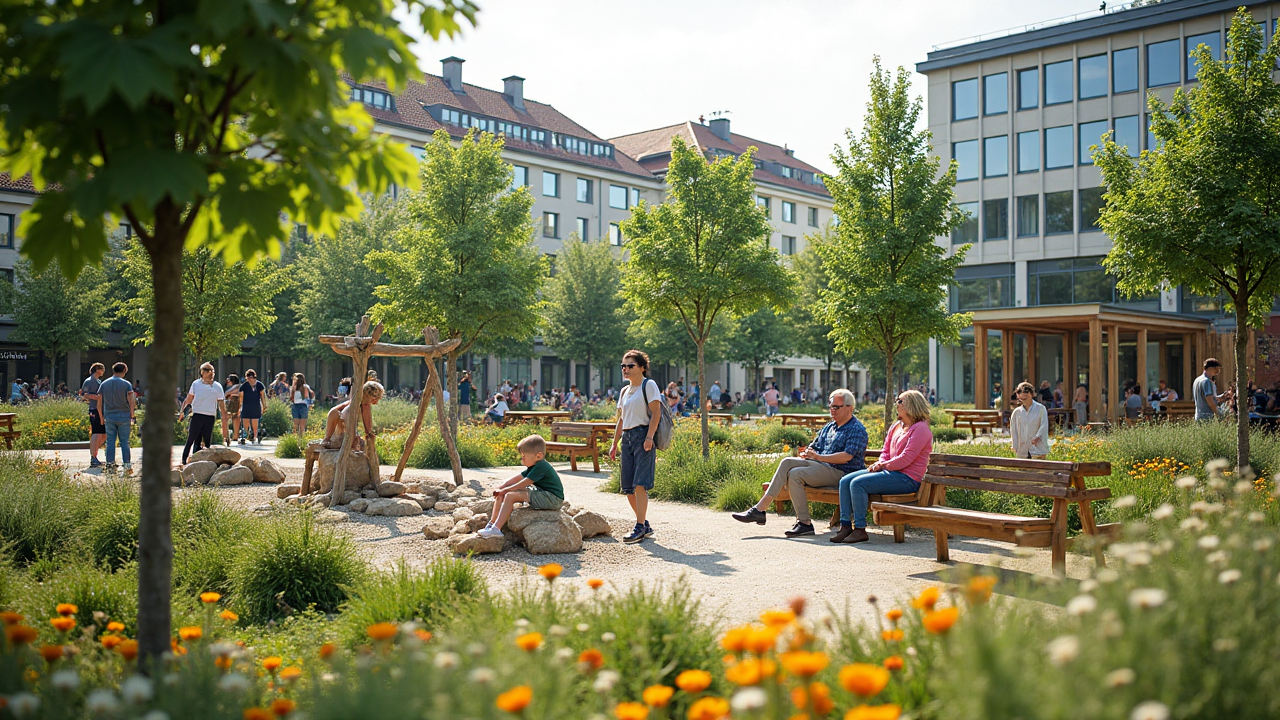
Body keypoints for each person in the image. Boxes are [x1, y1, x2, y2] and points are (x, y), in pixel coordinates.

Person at [732, 388, 868, 537]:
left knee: (795, 473)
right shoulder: (830, 427)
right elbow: (814, 446)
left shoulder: (856, 429)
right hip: (822, 467)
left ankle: (763, 511)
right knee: (789, 465)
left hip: (843, 473)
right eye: (830, 406)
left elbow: (846, 456)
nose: (832, 410)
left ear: (850, 408)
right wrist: (808, 453)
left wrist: (819, 457)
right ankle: (801, 523)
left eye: (836, 407)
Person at [832, 389, 932, 544]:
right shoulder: (897, 426)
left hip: (907, 478)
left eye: (900, 401)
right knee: (845, 481)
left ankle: (859, 529)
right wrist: (881, 463)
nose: (896, 404)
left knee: (858, 483)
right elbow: (885, 451)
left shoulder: (920, 428)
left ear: (911, 405)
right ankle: (845, 526)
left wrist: (883, 465)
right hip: (890, 472)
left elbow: (906, 458)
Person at [609, 349, 662, 544]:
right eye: (623, 366)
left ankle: (639, 526)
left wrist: (649, 437)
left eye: (630, 365)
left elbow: (656, 414)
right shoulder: (624, 391)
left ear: (642, 367)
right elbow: (622, 419)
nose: (626, 369)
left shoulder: (649, 386)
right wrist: (615, 443)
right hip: (628, 438)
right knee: (628, 488)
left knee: (640, 483)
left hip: (642, 436)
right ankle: (644, 524)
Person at [478, 435, 565, 539]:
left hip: (552, 499)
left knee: (510, 496)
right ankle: (492, 523)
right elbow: (516, 479)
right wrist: (502, 487)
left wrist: (506, 489)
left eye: (524, 457)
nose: (522, 459)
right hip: (543, 493)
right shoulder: (533, 466)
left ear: (538, 455)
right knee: (505, 492)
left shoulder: (541, 466)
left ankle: (496, 529)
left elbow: (525, 482)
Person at [179, 363, 227, 465]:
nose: (210, 373)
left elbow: (222, 406)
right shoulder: (196, 384)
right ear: (203, 372)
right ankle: (184, 459)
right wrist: (182, 411)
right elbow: (188, 399)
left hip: (210, 416)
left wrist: (224, 419)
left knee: (207, 441)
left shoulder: (217, 387)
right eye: (207, 371)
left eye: (212, 371)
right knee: (191, 438)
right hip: (197, 415)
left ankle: (205, 463)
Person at [320, 381, 383, 451]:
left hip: (338, 434)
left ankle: (327, 439)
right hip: (344, 435)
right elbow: (368, 429)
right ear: (373, 397)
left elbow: (333, 412)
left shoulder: (352, 402)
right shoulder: (364, 405)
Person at [98, 362, 136, 474]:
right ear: (124, 371)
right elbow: (131, 400)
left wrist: (101, 416)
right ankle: (127, 465)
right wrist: (132, 414)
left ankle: (110, 464)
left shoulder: (104, 384)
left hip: (109, 415)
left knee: (110, 441)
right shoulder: (126, 384)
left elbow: (99, 401)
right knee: (124, 441)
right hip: (123, 415)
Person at [1010, 382, 1051, 459]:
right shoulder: (1017, 412)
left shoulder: (1041, 408)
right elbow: (1013, 430)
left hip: (1038, 448)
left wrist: (1037, 437)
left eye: (1026, 391)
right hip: (1022, 449)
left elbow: (1044, 425)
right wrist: (1014, 445)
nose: (1023, 394)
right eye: (1020, 392)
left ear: (1032, 394)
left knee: (1038, 470)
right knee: (1023, 470)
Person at [80, 363, 107, 468]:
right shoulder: (89, 380)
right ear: (97, 369)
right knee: (96, 433)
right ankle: (93, 457)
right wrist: (98, 398)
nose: (103, 371)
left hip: (100, 409)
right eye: (102, 368)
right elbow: (84, 395)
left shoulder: (98, 381)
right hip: (94, 410)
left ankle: (95, 453)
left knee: (103, 434)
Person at [239, 370, 266, 444]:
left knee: (255, 421)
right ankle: (247, 435)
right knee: (245, 421)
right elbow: (241, 398)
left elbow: (263, 396)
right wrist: (239, 407)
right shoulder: (244, 386)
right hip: (246, 405)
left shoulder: (259, 385)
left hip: (256, 405)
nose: (251, 379)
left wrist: (264, 406)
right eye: (249, 377)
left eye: (252, 377)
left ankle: (255, 436)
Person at [290, 373, 313, 437]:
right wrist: (310, 403)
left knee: (295, 425)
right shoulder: (305, 386)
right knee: (302, 426)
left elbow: (291, 398)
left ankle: (294, 439)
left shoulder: (294, 387)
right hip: (303, 405)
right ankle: (301, 440)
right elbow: (310, 395)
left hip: (296, 405)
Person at [223, 374, 242, 443]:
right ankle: (235, 436)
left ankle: (226, 436)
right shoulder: (238, 386)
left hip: (232, 404)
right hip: (238, 404)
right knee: (236, 419)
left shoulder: (236, 387)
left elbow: (226, 393)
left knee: (226, 418)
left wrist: (228, 394)